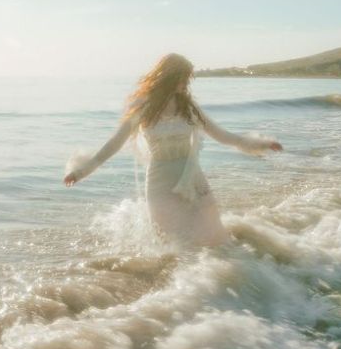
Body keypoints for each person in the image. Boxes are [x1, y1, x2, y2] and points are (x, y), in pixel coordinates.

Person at [64, 54, 283, 248]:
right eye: (183, 77)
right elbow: (114, 144)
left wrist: (263, 144)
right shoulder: (143, 107)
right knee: (171, 245)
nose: (186, 83)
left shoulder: (189, 107)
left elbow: (223, 136)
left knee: (212, 240)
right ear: (168, 77)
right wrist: (80, 171)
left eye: (188, 78)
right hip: (160, 181)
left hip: (193, 180)